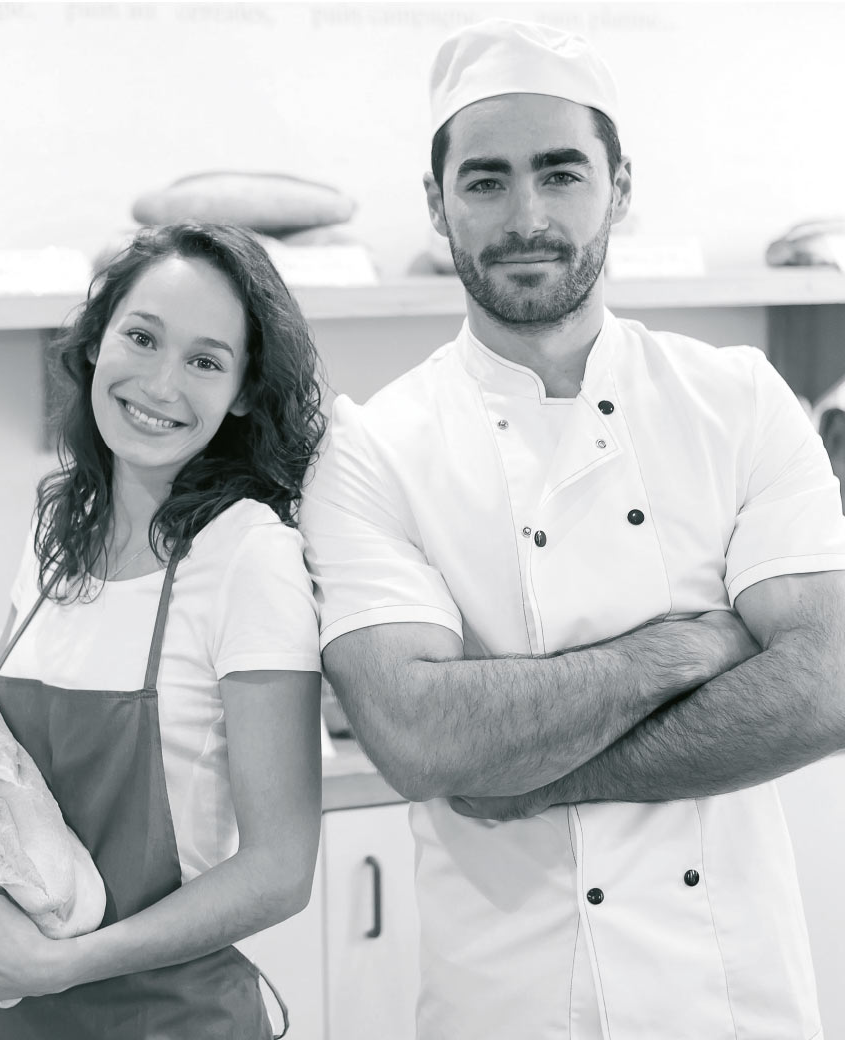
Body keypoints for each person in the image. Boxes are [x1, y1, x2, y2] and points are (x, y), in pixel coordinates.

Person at [299, 18, 845, 1040]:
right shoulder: (372, 446)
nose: (525, 215)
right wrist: (688, 644)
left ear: (618, 187)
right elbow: (418, 738)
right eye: (485, 180)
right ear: (437, 204)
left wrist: (536, 770)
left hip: (726, 993)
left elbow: (828, 682)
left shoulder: (734, 397)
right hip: (508, 1000)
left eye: (559, 174)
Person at [0, 222, 327, 1039]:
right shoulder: (57, 531)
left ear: (242, 390)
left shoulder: (248, 555)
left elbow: (279, 871)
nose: (161, 384)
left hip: (173, 1023)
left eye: (205, 360)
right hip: (10, 1018)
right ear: (97, 344)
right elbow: (5, 782)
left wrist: (62, 965)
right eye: (141, 337)